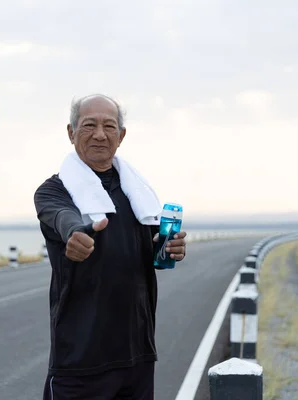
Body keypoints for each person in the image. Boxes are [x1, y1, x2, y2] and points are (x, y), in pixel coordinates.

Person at [33, 94, 187, 400]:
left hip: (137, 356)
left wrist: (171, 247)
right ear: (71, 132)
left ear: (121, 136)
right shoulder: (54, 191)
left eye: (109, 126)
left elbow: (155, 247)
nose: (100, 134)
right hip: (80, 362)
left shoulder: (138, 195)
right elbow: (61, 217)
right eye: (89, 125)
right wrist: (75, 233)